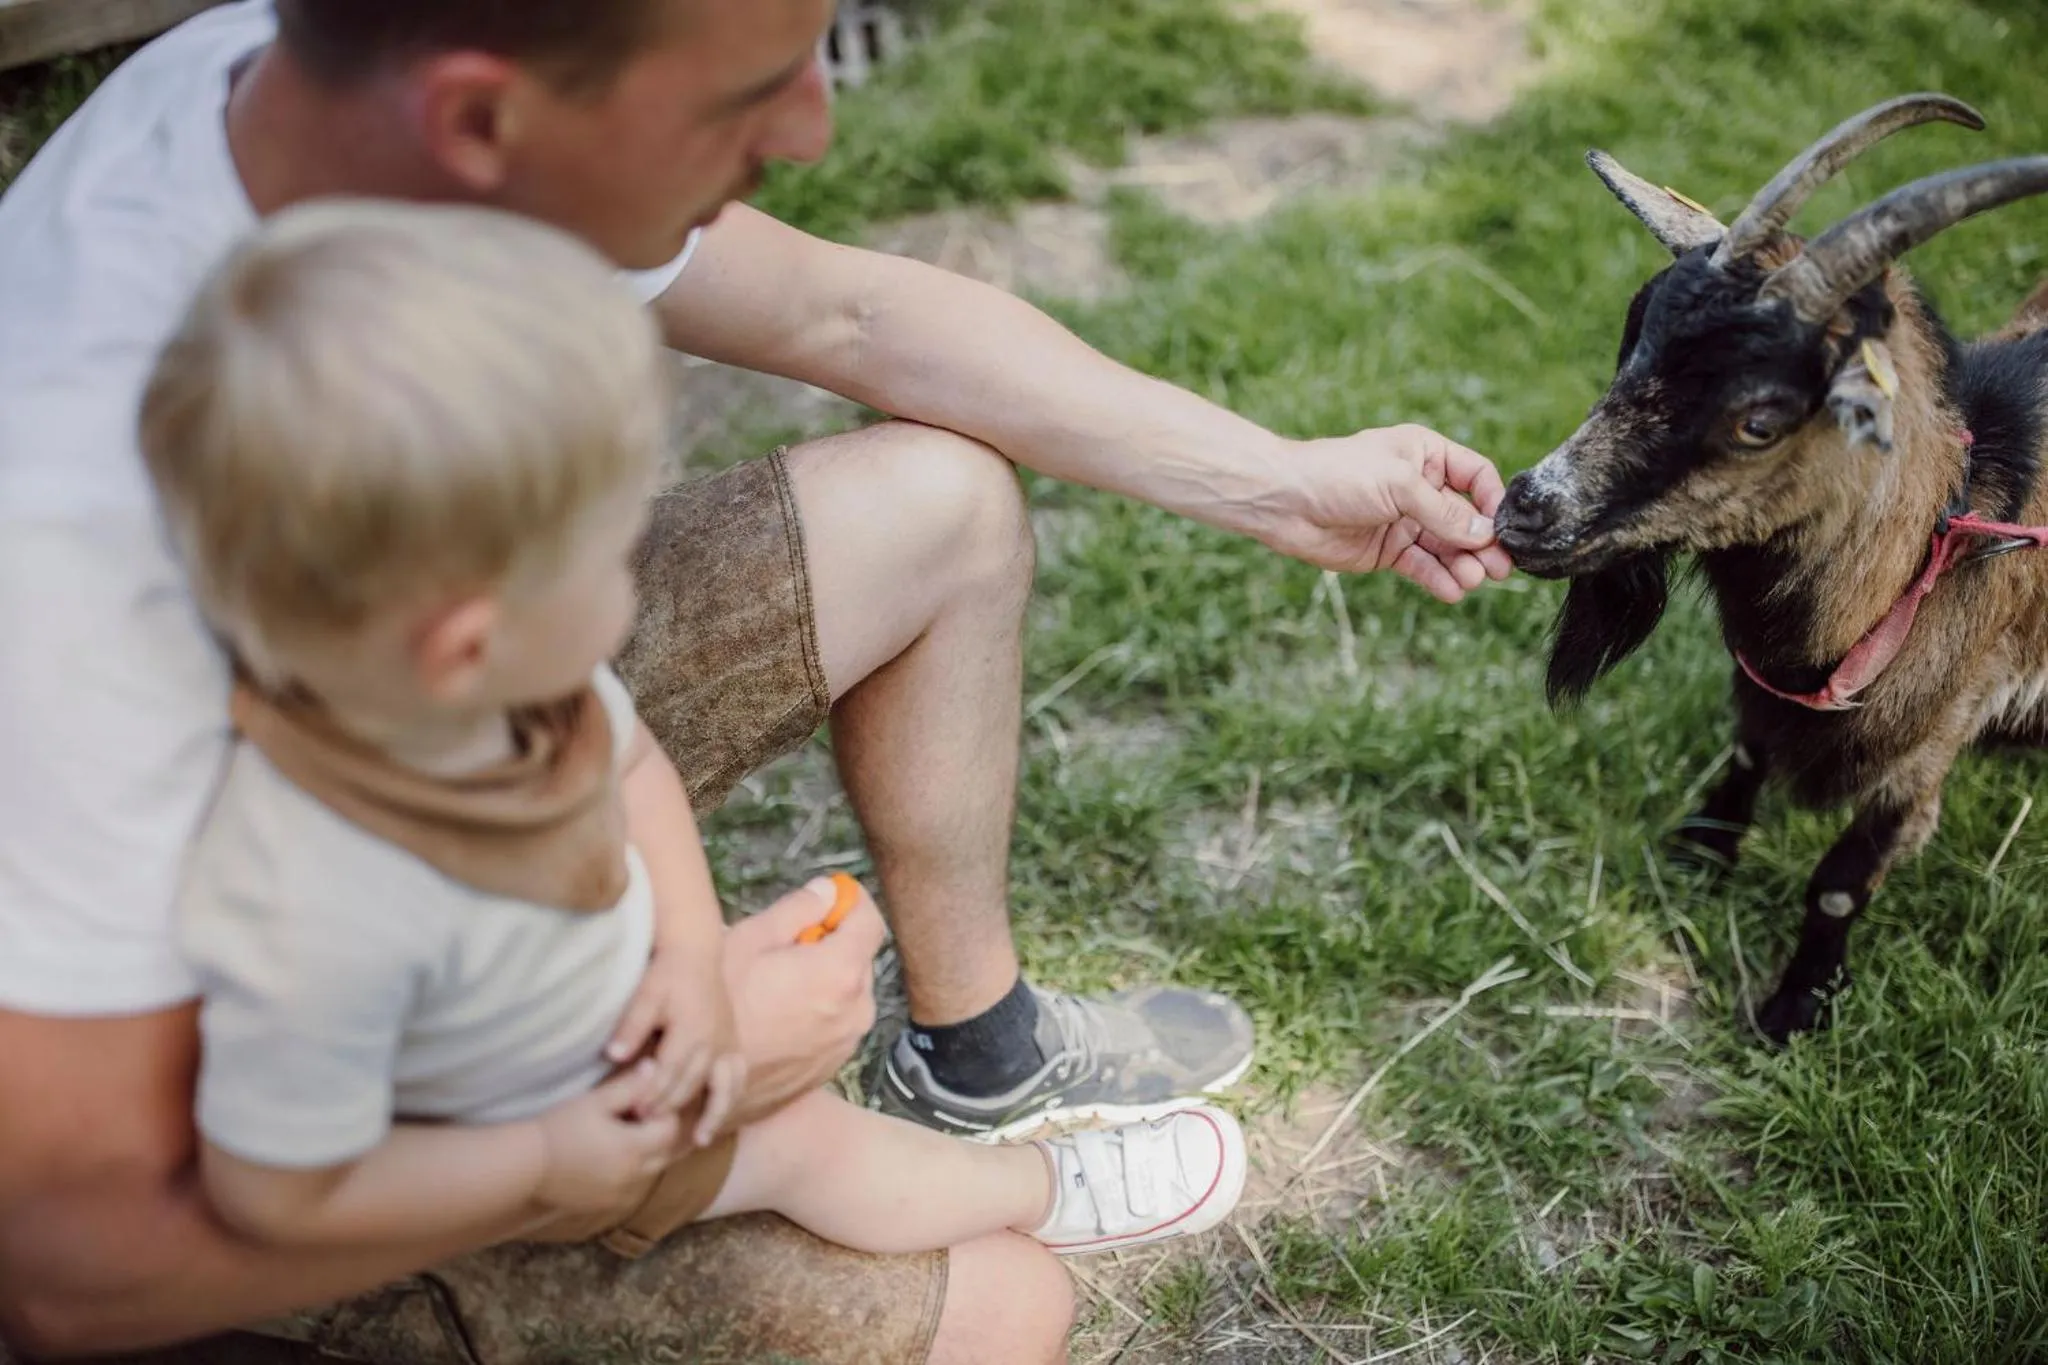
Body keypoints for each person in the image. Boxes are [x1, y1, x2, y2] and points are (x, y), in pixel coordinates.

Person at [0, 1, 1509, 1361]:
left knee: (941, 505)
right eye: (751, 89)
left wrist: (1281, 482)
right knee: (1003, 1313)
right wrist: (615, 1110)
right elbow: (64, 1270)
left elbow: (846, 317)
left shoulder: (326, 99)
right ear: (478, 117)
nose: (813, 126)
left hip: (411, 705)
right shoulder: (76, 555)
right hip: (250, 1106)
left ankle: (982, 1059)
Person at [147, 197, 1248, 1274]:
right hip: (538, 1146)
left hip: (599, 1027)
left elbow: (628, 765)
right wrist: (557, 1151)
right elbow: (279, 1194)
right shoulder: (296, 899)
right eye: (594, 560)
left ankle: (980, 1096)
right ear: (456, 629)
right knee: (820, 1155)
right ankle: (1045, 1190)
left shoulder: (519, 687)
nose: (630, 592)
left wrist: (684, 954)